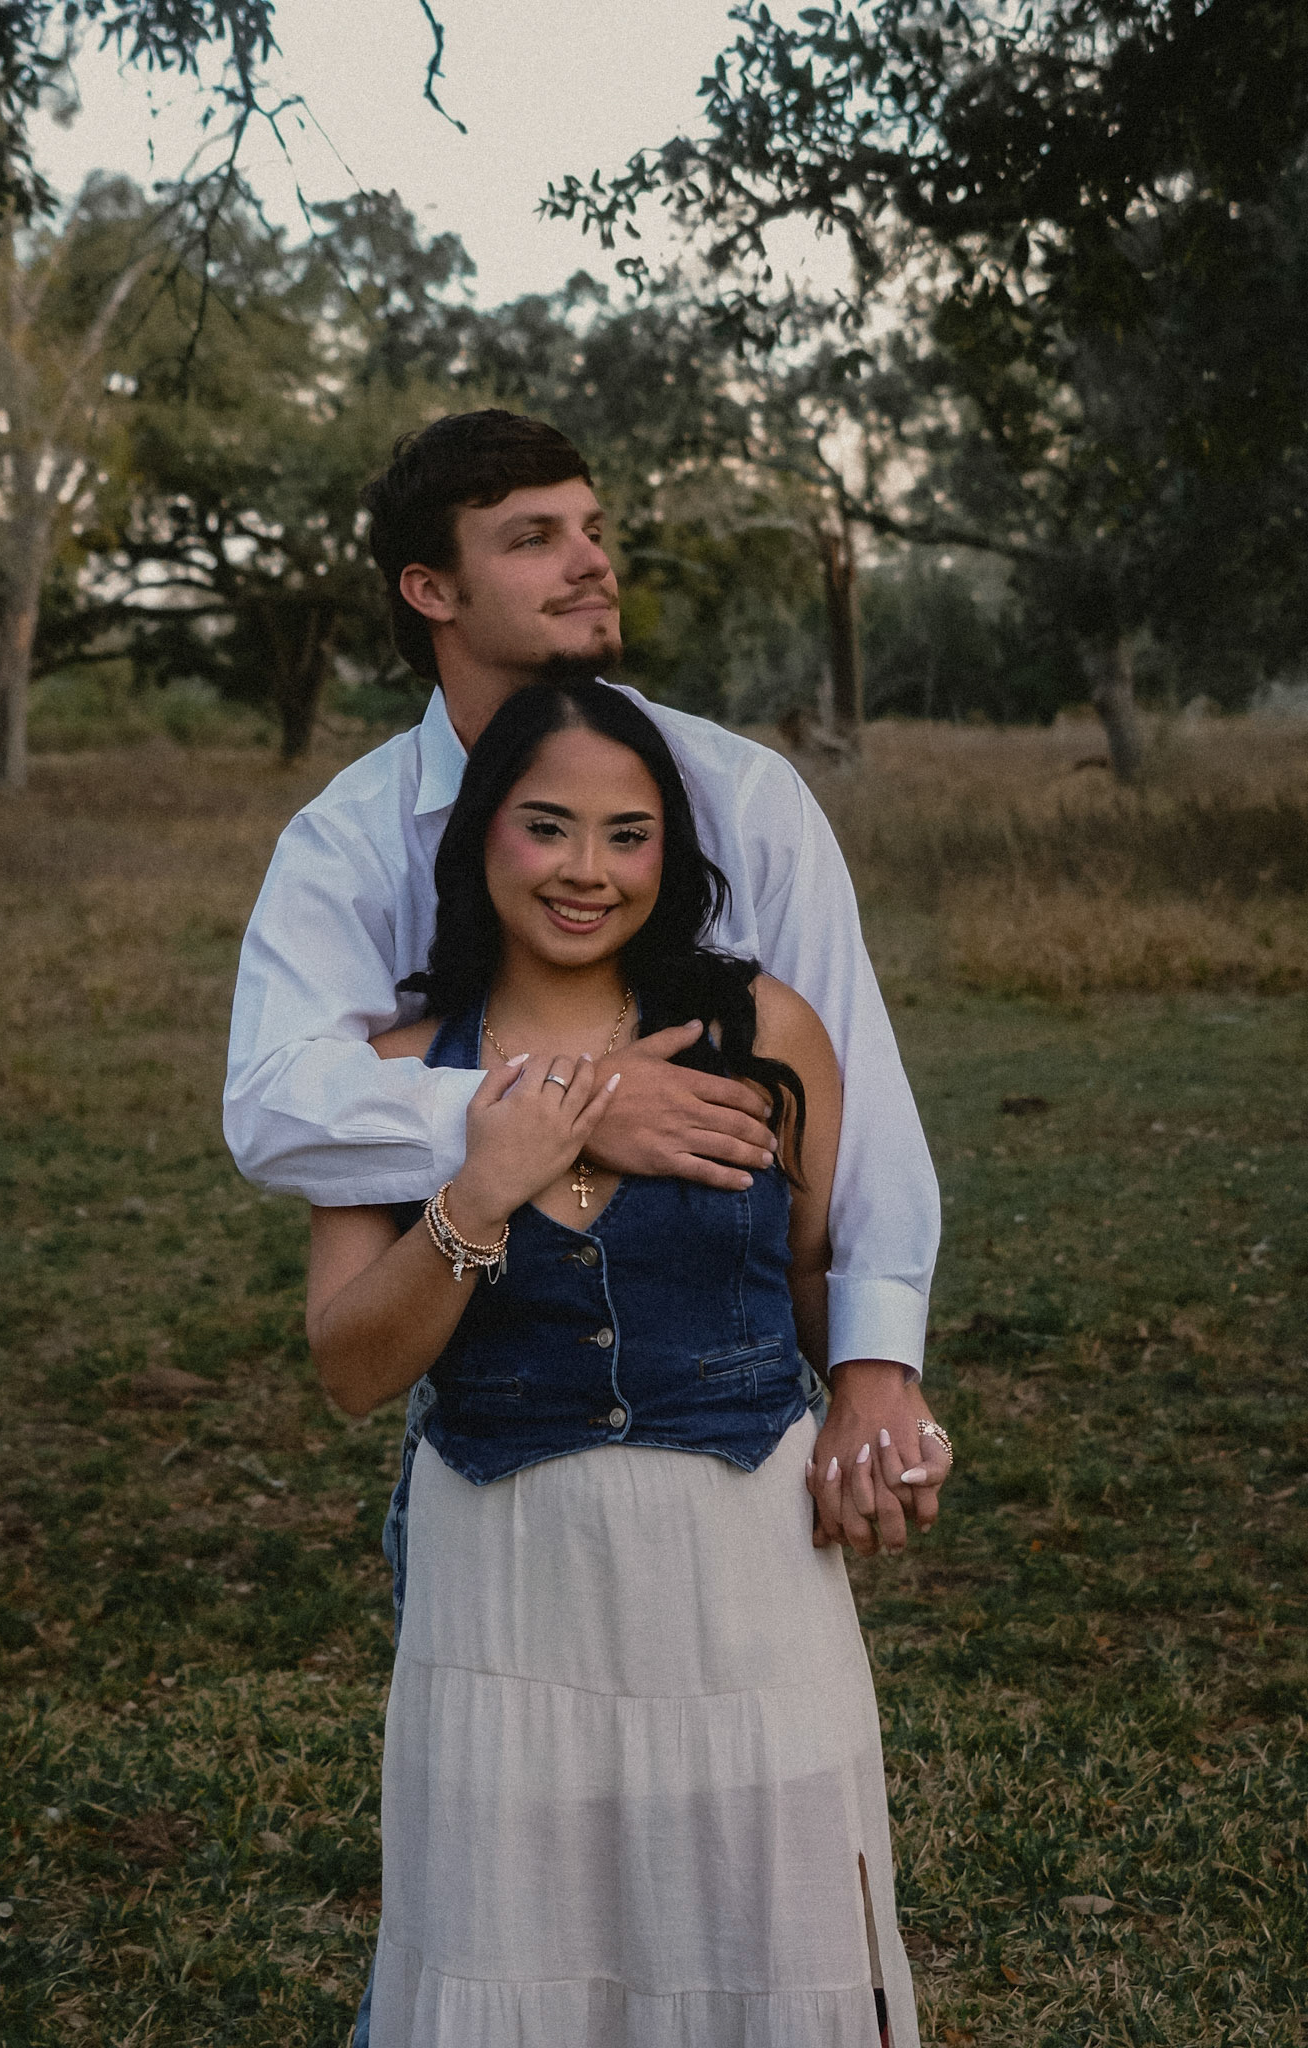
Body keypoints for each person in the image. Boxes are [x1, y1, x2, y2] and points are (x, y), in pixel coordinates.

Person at [306, 675, 949, 2045]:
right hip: (504, 1588)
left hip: (741, 1575)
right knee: (517, 1943)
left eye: (627, 832)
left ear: (673, 850)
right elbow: (350, 1367)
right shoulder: (394, 1073)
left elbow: (812, 1270)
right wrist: (481, 1189)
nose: (586, 870)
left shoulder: (764, 1031)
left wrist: (882, 1408)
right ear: (481, 835)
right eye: (546, 826)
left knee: (764, 1934)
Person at [225, 409, 942, 1553]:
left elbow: (853, 1087)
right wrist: (572, 1113)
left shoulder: (742, 796)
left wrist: (871, 1367)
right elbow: (272, 1107)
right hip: (493, 1445)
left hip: (737, 1444)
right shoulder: (349, 838)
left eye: (594, 529)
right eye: (533, 537)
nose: (592, 561)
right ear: (430, 589)